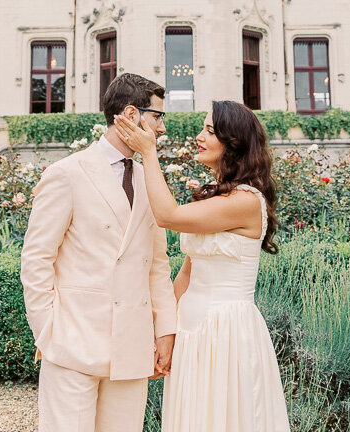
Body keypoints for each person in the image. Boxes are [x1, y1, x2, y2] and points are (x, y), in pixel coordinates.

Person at [114, 101, 290, 432]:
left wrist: (148, 155)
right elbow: (188, 273)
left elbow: (168, 217)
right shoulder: (216, 198)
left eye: (209, 131)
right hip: (192, 331)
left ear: (233, 143)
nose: (199, 136)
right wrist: (166, 330)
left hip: (226, 333)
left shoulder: (246, 201)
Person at [21, 73, 178, 432]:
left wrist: (166, 329)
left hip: (132, 348)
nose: (163, 128)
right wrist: (49, 331)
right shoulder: (68, 173)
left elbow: (157, 264)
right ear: (130, 114)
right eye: (157, 116)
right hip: (72, 342)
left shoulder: (149, 178)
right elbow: (36, 259)